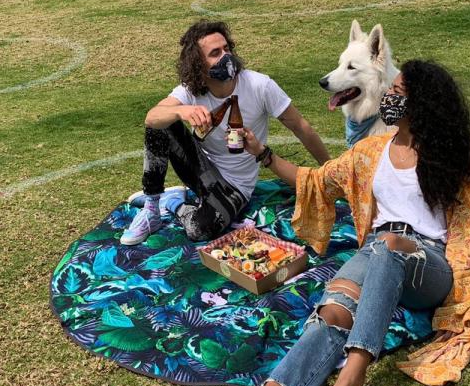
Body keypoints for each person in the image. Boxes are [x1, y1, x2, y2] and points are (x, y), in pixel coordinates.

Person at [229, 60, 470, 386]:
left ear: (424, 106)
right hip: (378, 249)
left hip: (428, 265)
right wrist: (262, 153)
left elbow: (465, 234)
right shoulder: (370, 152)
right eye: (391, 90)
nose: (389, 97)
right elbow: (314, 181)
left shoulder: (450, 160)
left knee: (391, 246)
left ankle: (353, 379)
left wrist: (468, 291)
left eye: (399, 93)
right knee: (334, 311)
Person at [120, 20, 330, 245]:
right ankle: (152, 209)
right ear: (198, 64)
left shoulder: (260, 85)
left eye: (226, 49)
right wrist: (182, 111)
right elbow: (152, 117)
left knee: (199, 230)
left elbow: (301, 127)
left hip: (236, 187)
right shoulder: (191, 90)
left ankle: (173, 203)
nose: (225, 56)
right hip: (201, 172)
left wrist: (331, 171)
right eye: (215, 53)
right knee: (160, 124)